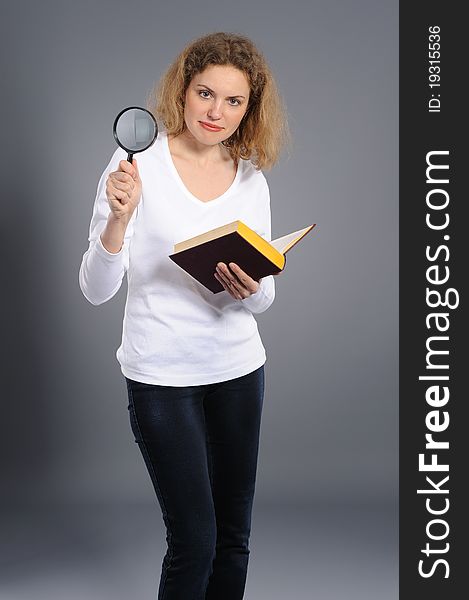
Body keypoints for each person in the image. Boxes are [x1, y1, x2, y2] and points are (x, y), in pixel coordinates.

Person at [79, 31, 289, 600]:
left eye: (233, 101)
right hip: (162, 379)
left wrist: (250, 288)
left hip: (240, 372)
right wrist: (118, 220)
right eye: (205, 94)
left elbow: (263, 300)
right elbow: (96, 290)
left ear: (251, 108)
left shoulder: (251, 179)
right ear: (183, 91)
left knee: (233, 537)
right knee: (195, 542)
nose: (216, 112)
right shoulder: (135, 166)